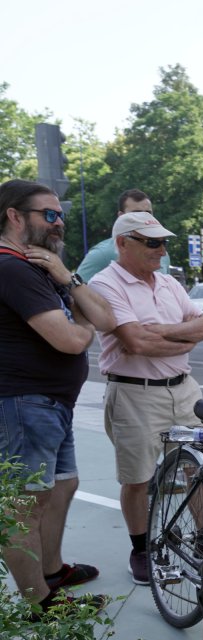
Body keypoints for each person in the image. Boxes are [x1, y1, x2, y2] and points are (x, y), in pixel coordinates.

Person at [0, 179, 115, 614]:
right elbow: (71, 339)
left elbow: (105, 318)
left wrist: (67, 276)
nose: (59, 222)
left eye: (60, 214)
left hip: (50, 404)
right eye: (49, 214)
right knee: (24, 507)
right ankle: (40, 602)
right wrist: (82, 331)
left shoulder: (41, 269)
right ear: (15, 216)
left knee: (63, 486)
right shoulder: (11, 267)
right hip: (23, 403)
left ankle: (51, 571)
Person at [90, 211, 203, 585]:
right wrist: (181, 337)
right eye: (152, 242)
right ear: (122, 243)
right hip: (134, 393)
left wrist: (164, 331)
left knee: (198, 470)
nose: (161, 250)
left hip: (184, 388)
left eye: (164, 242)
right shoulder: (105, 283)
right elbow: (135, 342)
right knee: (137, 479)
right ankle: (141, 550)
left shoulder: (168, 283)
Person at [75, 189, 170, 281]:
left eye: (148, 213)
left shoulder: (162, 253)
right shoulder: (101, 254)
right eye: (136, 213)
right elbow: (78, 289)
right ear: (121, 216)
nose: (143, 218)